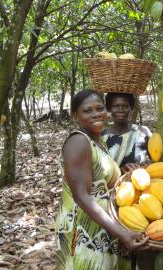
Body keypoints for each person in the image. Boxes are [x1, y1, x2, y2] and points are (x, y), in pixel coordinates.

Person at [56, 90, 148, 270]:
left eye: (99, 108)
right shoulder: (78, 141)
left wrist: (121, 173)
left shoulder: (98, 141)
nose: (96, 114)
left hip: (102, 228)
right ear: (76, 115)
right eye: (87, 110)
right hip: (83, 230)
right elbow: (82, 196)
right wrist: (121, 233)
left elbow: (98, 180)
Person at [102, 92, 152, 174]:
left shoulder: (143, 132)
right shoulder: (102, 136)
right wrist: (120, 171)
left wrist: (147, 164)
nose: (121, 110)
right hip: (113, 185)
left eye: (125, 106)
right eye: (116, 106)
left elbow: (156, 159)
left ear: (131, 108)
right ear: (109, 108)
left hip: (143, 182)